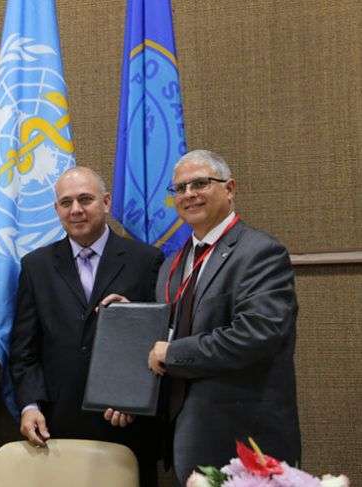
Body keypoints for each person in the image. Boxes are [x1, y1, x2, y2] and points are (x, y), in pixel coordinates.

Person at [104, 149, 301, 485]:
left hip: (246, 437)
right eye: (179, 188)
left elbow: (257, 333)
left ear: (229, 188)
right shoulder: (171, 264)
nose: (189, 194)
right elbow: (172, 331)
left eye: (200, 183)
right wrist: (134, 317)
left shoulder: (260, 253)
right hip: (187, 431)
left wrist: (174, 353)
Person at [9, 166, 164, 486]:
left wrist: (133, 396)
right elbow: (24, 348)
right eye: (66, 203)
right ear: (56, 210)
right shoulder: (36, 265)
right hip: (56, 422)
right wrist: (29, 404)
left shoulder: (146, 260)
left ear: (106, 202)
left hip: (125, 421)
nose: (75, 210)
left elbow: (160, 338)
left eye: (85, 199)